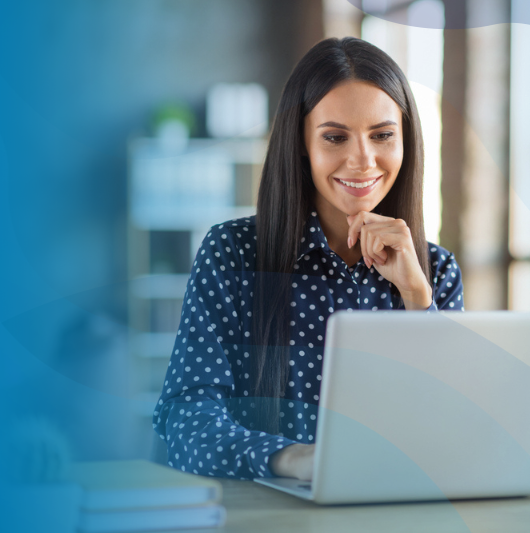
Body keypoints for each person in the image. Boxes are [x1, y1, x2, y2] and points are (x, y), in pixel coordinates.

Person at [152, 37, 464, 482]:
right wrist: (294, 459)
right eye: (335, 137)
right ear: (301, 142)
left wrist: (417, 298)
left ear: (405, 142)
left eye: (382, 135)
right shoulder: (232, 254)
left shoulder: (435, 273)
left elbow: (455, 433)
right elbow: (186, 421)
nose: (362, 160)